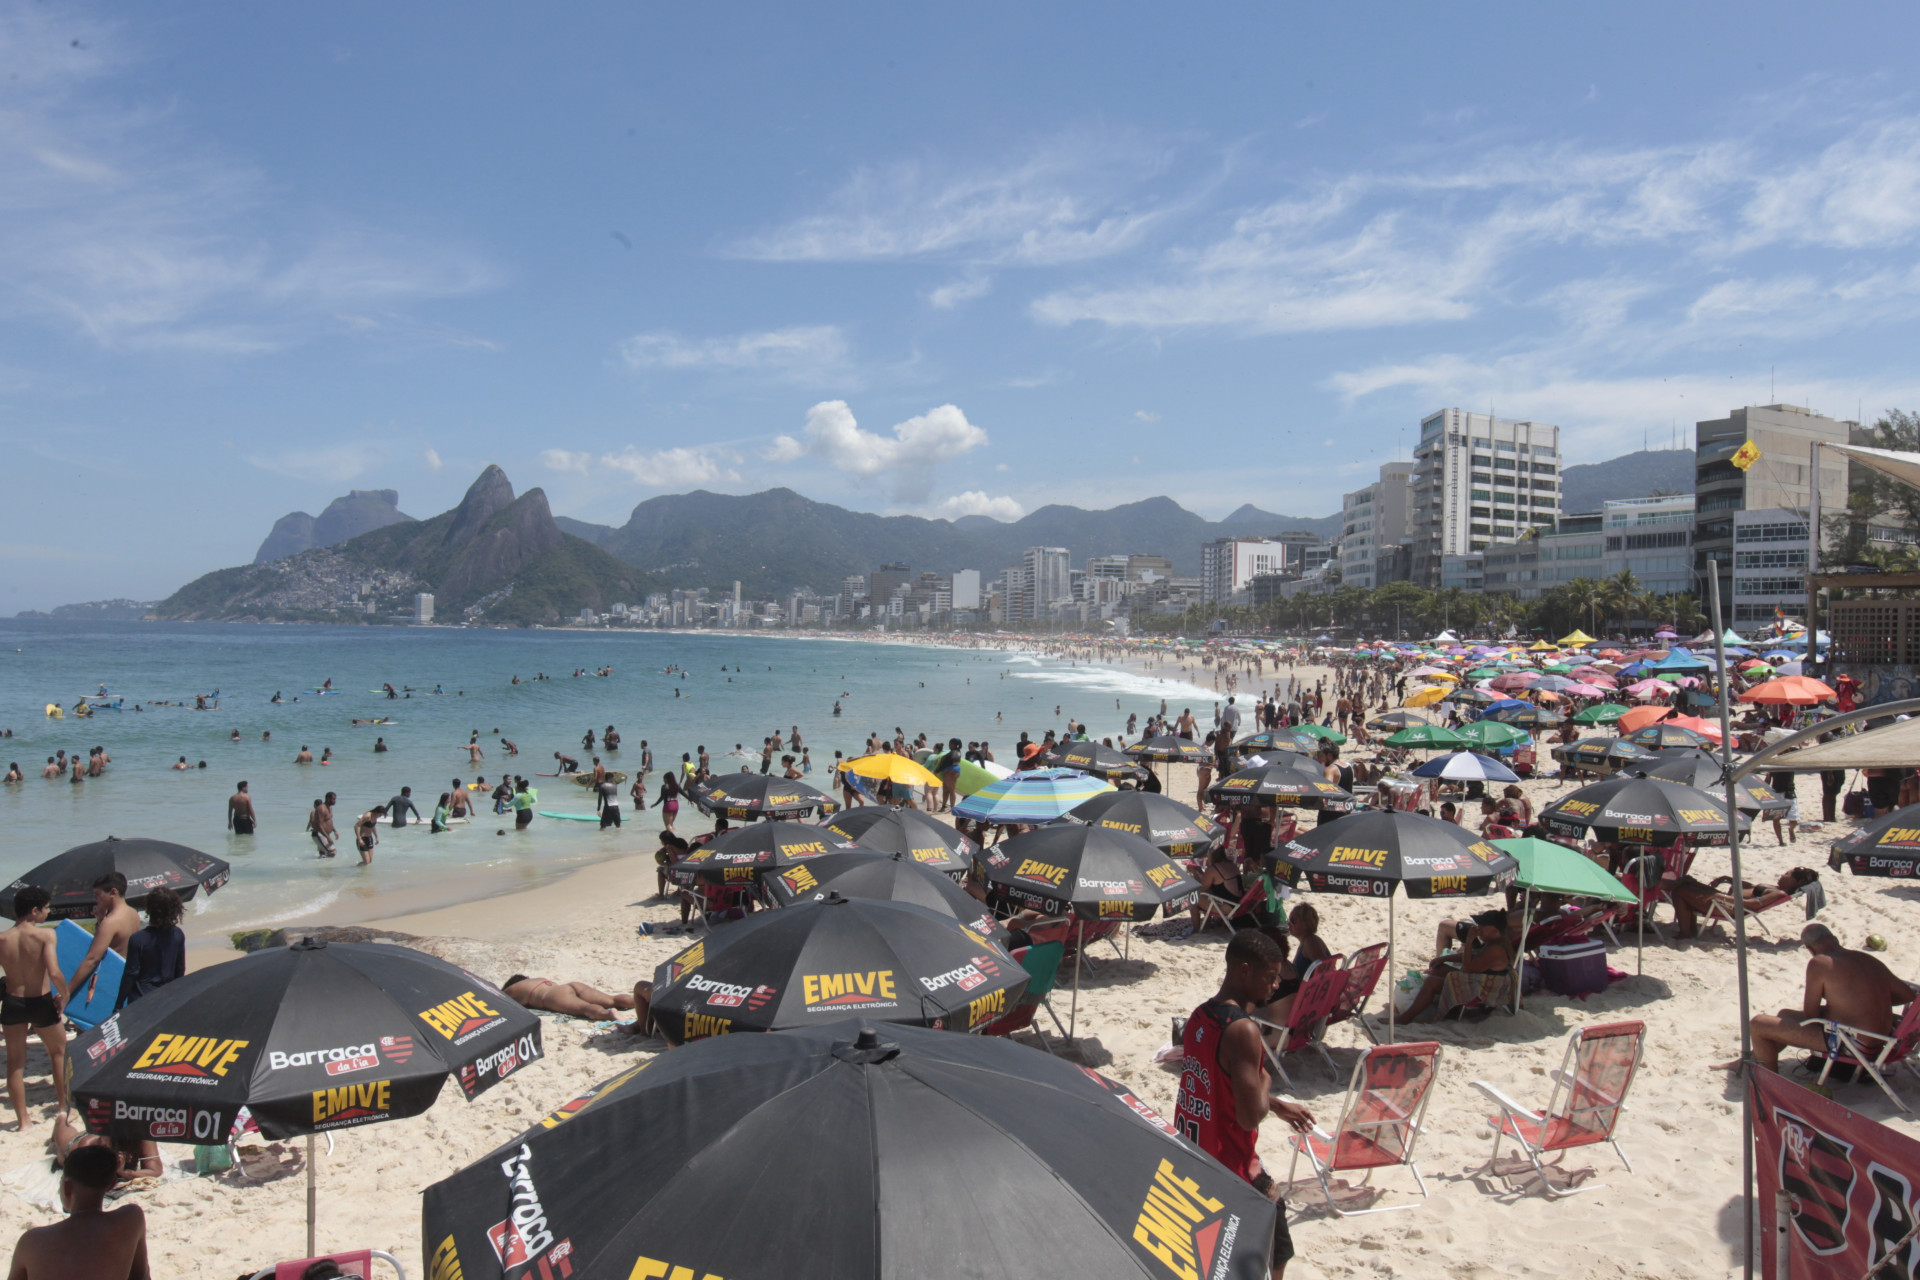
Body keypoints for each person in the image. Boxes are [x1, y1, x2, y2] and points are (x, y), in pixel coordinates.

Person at [1175, 930, 1312, 1279]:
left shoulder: (1199, 1017)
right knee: (1276, 1247)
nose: (1276, 985)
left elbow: (1220, 1086)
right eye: (1271, 976)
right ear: (1245, 971)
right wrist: (1267, 1080)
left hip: (1194, 1155)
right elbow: (1250, 1117)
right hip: (1231, 1165)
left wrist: (1278, 1106)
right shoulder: (1243, 1031)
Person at [1733, 923, 1917, 1074]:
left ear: (1809, 949)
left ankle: (1768, 1083)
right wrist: (1865, 1001)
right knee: (1785, 1014)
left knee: (1759, 1024)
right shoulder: (1866, 959)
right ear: (1835, 939)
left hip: (1855, 1045)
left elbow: (1811, 1014)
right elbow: (1908, 995)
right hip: (1883, 1040)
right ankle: (1747, 1061)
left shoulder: (1820, 963)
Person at [6, 1143, 150, 1280]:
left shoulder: (33, 1242)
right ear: (111, 1184)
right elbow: (141, 1277)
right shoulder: (130, 1220)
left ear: (67, 1187)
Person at [0, 887, 68, 1130]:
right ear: (34, 910)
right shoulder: (45, 935)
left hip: (13, 1002)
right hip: (40, 1001)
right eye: (46, 908)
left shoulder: (2, 938)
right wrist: (66, 995)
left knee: (15, 1063)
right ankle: (63, 1109)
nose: (48, 912)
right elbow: (54, 972)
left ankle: (23, 1121)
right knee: (59, 1053)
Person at [1400, 910, 1512, 1020]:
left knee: (1431, 983)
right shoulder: (1492, 943)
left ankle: (1405, 1018)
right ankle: (1438, 1005)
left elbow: (1467, 968)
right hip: (1479, 979)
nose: (1478, 928)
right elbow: (1473, 956)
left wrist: (1469, 941)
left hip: (1483, 990)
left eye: (1482, 926)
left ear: (1494, 930)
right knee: (1439, 969)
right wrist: (1443, 959)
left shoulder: (1496, 950)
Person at [66, 875, 139, 1016]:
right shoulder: (133, 913)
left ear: (113, 892)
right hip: (125, 977)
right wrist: (101, 921)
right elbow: (118, 943)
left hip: (108, 982)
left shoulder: (110, 922)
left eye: (98, 895)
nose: (95, 899)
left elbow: (92, 959)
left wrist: (67, 991)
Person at [115, 888, 184, 1009]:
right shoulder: (177, 934)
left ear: (148, 909)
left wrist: (119, 1004)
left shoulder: (138, 939)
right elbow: (180, 969)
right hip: (167, 999)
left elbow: (131, 973)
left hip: (141, 1000)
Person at [502, 975, 648, 1028]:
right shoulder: (536, 979)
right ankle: (636, 1001)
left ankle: (609, 1015)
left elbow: (500, 1002)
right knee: (612, 999)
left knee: (585, 1008)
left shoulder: (511, 990)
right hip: (569, 985)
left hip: (553, 995)